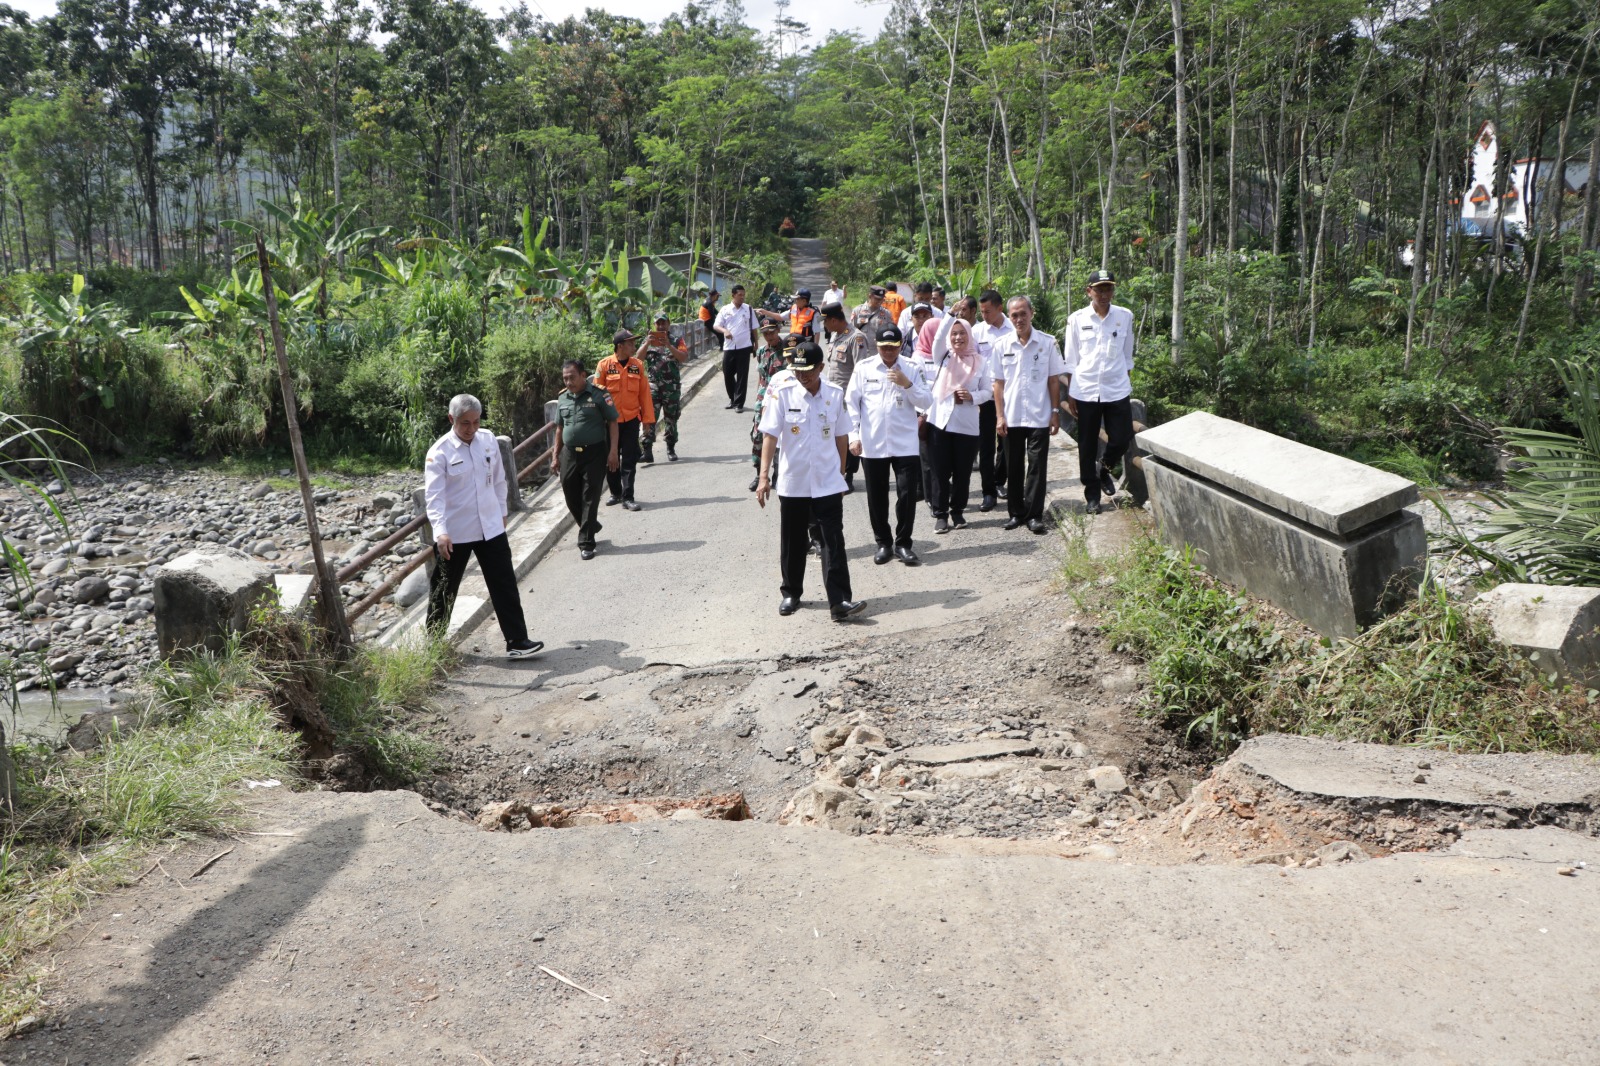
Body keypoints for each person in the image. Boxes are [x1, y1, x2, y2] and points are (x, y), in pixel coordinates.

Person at [424, 394, 543, 657]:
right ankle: (432, 647)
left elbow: (499, 480)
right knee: (444, 588)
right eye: (465, 423)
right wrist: (441, 532)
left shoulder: (487, 440)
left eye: (476, 421)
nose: (471, 428)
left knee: (504, 584)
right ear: (451, 419)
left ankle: (517, 641)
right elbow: (434, 498)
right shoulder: (439, 452)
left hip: (491, 527)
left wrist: (502, 511)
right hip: (456, 533)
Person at [756, 341, 867, 622]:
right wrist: (763, 477)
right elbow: (769, 435)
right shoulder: (783, 394)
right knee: (793, 541)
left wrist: (841, 473)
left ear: (821, 367)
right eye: (797, 370)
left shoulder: (834, 394)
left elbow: (841, 436)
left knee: (833, 541)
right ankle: (791, 593)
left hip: (827, 482)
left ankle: (839, 600)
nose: (802, 376)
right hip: (795, 483)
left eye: (808, 371)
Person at [846, 325, 932, 566]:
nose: (888, 352)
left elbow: (927, 400)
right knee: (876, 496)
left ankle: (903, 543)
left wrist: (908, 384)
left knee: (906, 495)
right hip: (873, 443)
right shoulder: (864, 368)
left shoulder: (913, 368)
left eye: (893, 347)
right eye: (883, 347)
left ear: (901, 345)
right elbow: (851, 403)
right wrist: (854, 435)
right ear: (877, 345)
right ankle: (883, 542)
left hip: (904, 443)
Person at [1063, 269, 1137, 515]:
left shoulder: (1124, 316)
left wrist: (1124, 382)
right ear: (1089, 291)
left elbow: (1128, 356)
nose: (1104, 294)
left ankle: (1103, 470)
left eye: (1108, 288)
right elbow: (1071, 360)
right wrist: (1071, 393)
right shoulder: (1077, 319)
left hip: (1116, 389)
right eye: (1099, 289)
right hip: (1086, 390)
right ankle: (1092, 495)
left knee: (1121, 437)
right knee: (1087, 444)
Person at [993, 295, 1067, 534]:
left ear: (1031, 313)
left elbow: (1053, 380)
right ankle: (1016, 513)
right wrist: (999, 416)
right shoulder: (1002, 345)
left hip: (1039, 415)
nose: (1019, 319)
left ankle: (1034, 515)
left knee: (1037, 466)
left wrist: (1055, 412)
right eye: (1014, 315)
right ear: (1009, 317)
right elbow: (998, 384)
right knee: (1013, 467)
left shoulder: (1047, 343)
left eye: (1023, 313)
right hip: (1012, 416)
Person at [924, 317, 992, 533]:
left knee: (963, 473)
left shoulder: (981, 361)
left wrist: (971, 396)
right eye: (954, 333)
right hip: (940, 423)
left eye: (962, 333)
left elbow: (988, 391)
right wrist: (950, 317)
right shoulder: (943, 357)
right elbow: (937, 340)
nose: (958, 337)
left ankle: (958, 512)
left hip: (967, 426)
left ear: (970, 336)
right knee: (940, 472)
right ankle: (941, 514)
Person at [551, 360, 620, 560]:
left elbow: (613, 422)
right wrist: (555, 455)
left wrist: (613, 451)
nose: (569, 381)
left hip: (595, 453)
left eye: (572, 377)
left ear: (583, 375)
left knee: (590, 495)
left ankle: (586, 542)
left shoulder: (599, 395)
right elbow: (559, 428)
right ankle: (591, 524)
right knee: (570, 493)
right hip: (570, 454)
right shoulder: (563, 398)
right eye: (565, 378)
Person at [595, 328, 655, 511]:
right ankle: (616, 493)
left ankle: (628, 497)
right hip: (609, 422)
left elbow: (645, 394)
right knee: (611, 458)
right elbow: (596, 394)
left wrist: (647, 421)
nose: (633, 346)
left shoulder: (638, 365)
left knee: (629, 459)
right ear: (620, 346)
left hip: (630, 420)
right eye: (630, 343)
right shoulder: (604, 366)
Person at [971, 289, 1015, 512]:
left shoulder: (1015, 328)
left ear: (1000, 308)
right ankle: (988, 492)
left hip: (1010, 395)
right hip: (987, 396)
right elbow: (971, 364)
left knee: (1008, 444)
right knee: (986, 446)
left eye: (988, 311)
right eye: (982, 312)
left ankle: (1000, 481)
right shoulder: (977, 332)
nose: (984, 315)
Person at [818, 301, 870, 493]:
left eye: (825, 321)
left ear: (833, 320)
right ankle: (835, 470)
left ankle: (848, 475)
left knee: (848, 434)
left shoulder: (856, 338)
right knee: (832, 433)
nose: (824, 325)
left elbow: (861, 369)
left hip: (849, 396)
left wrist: (858, 398)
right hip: (832, 396)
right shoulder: (834, 336)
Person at [639, 315, 689, 464]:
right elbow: (638, 359)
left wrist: (668, 345)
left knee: (671, 419)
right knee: (649, 418)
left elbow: (683, 357)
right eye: (658, 323)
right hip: (653, 388)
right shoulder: (649, 340)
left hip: (671, 388)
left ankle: (670, 448)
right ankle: (647, 451)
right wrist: (647, 343)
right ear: (654, 324)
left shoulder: (677, 340)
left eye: (663, 323)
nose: (661, 326)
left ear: (668, 323)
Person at [749, 320, 792, 491]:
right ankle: (759, 474)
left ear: (778, 330)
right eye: (765, 333)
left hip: (781, 399)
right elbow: (761, 378)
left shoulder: (788, 350)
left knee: (779, 437)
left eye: (772, 332)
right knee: (758, 437)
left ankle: (777, 473)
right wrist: (758, 400)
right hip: (763, 399)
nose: (769, 336)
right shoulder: (761, 351)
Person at [713, 283, 761, 411]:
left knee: (742, 375)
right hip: (729, 347)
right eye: (740, 295)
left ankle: (739, 403)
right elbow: (716, 325)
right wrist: (724, 331)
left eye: (743, 295)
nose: (742, 297)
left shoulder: (748, 309)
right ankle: (733, 398)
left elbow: (754, 328)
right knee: (727, 374)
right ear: (733, 295)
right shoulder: (725, 309)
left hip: (744, 347)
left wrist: (756, 344)